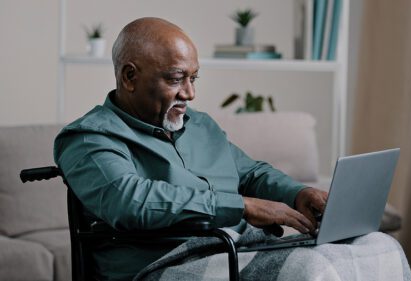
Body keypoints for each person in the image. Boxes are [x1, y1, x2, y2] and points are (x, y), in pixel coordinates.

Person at [54, 17, 327, 280]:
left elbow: (250, 174)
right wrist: (239, 207)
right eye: (175, 79)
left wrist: (298, 193)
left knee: (363, 246)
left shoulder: (200, 125)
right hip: (163, 266)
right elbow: (128, 200)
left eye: (193, 79)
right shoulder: (88, 138)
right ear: (129, 77)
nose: (189, 93)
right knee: (309, 270)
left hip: (234, 251)